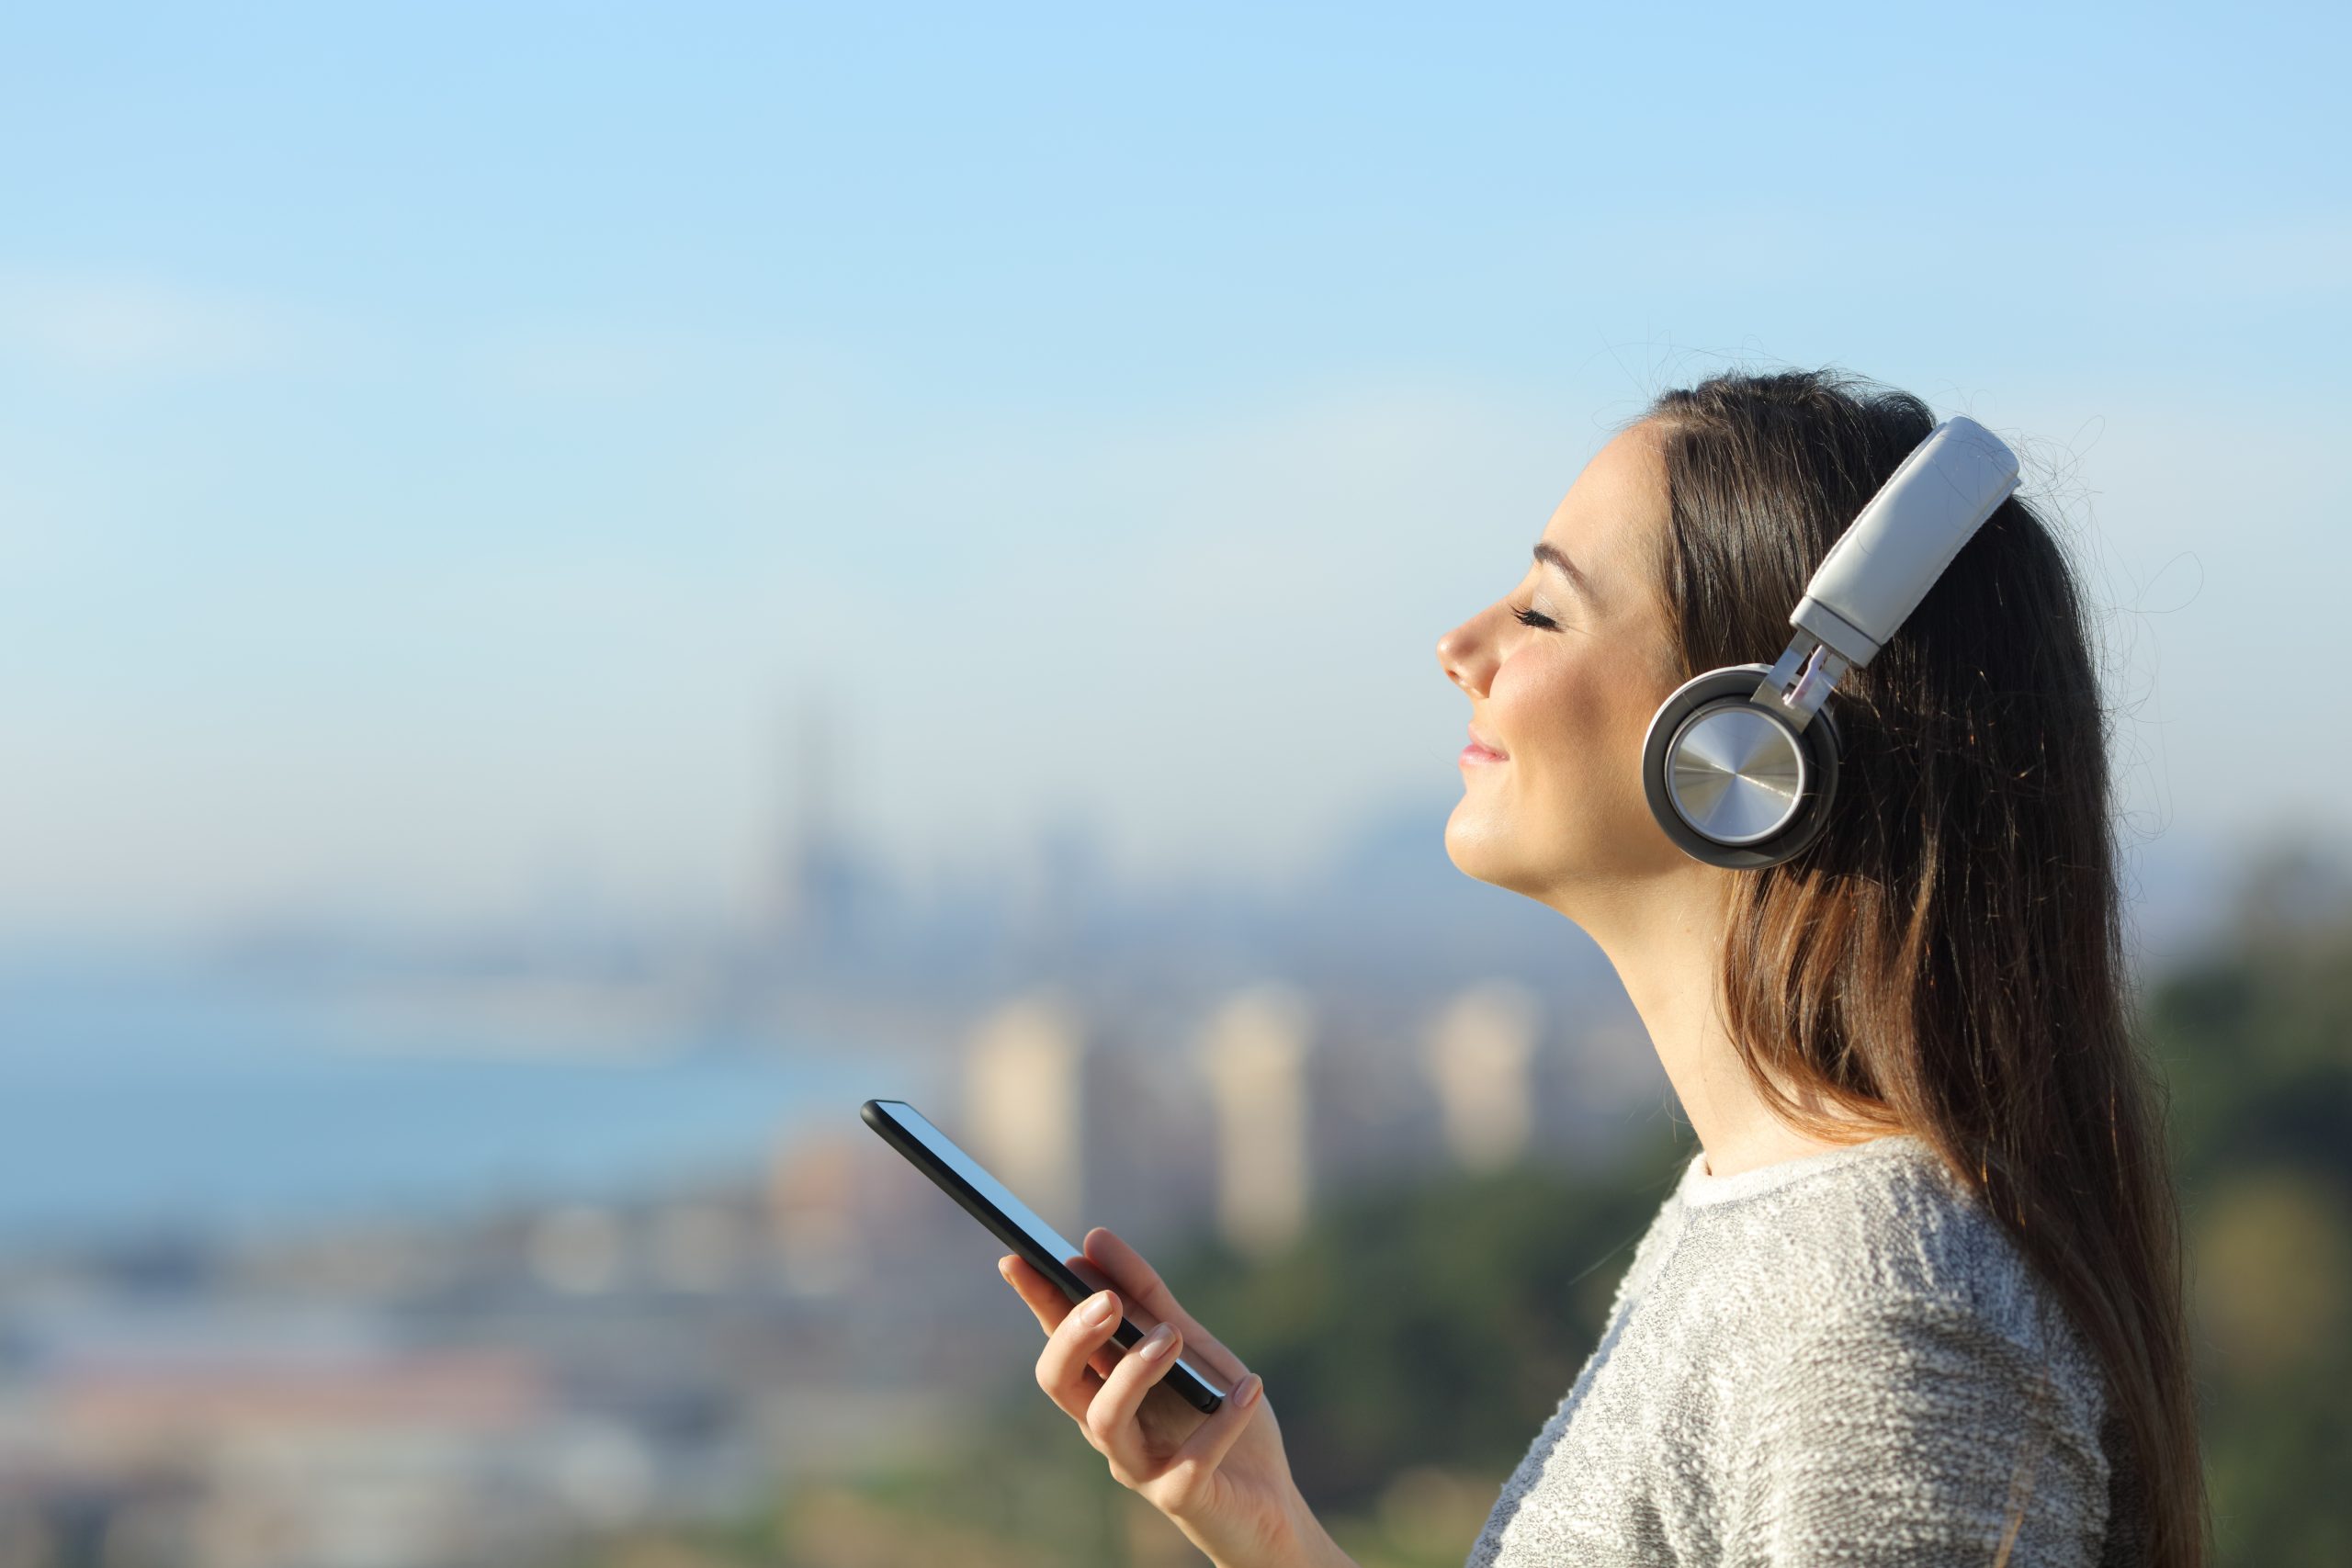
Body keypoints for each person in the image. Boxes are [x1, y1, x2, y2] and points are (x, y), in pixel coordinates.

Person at [994, 367, 2206, 1567]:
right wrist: (1259, 1521)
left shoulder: (1874, 1310)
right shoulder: (1760, 1221)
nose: (1460, 645)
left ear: (1747, 739)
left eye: (1540, 613)